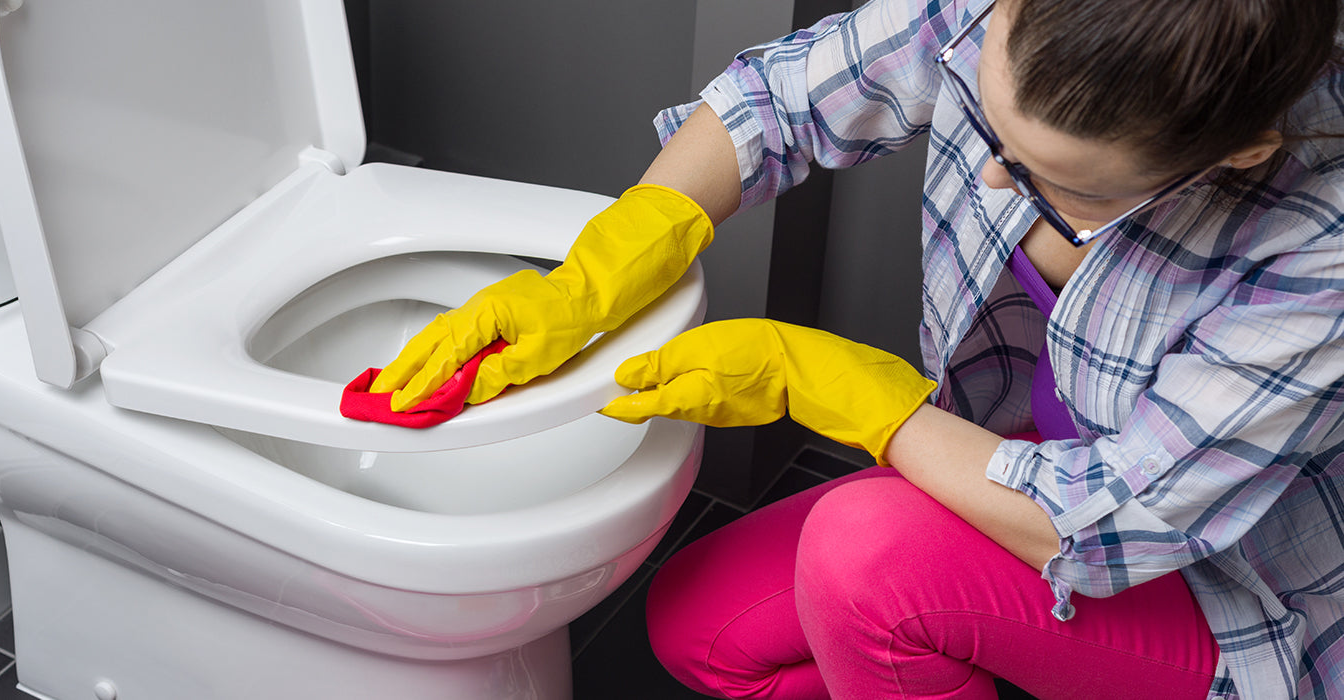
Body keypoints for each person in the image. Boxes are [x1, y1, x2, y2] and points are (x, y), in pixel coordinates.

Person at [369, 0, 1344, 697]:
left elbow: (1101, 523)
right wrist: (598, 270)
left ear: (1238, 152)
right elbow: (781, 100)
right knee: (699, 626)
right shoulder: (1011, 13)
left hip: (1214, 596)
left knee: (861, 558)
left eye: (1062, 184)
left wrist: (831, 384)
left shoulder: (1318, 250)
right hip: (995, 485)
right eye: (991, 130)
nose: (998, 184)